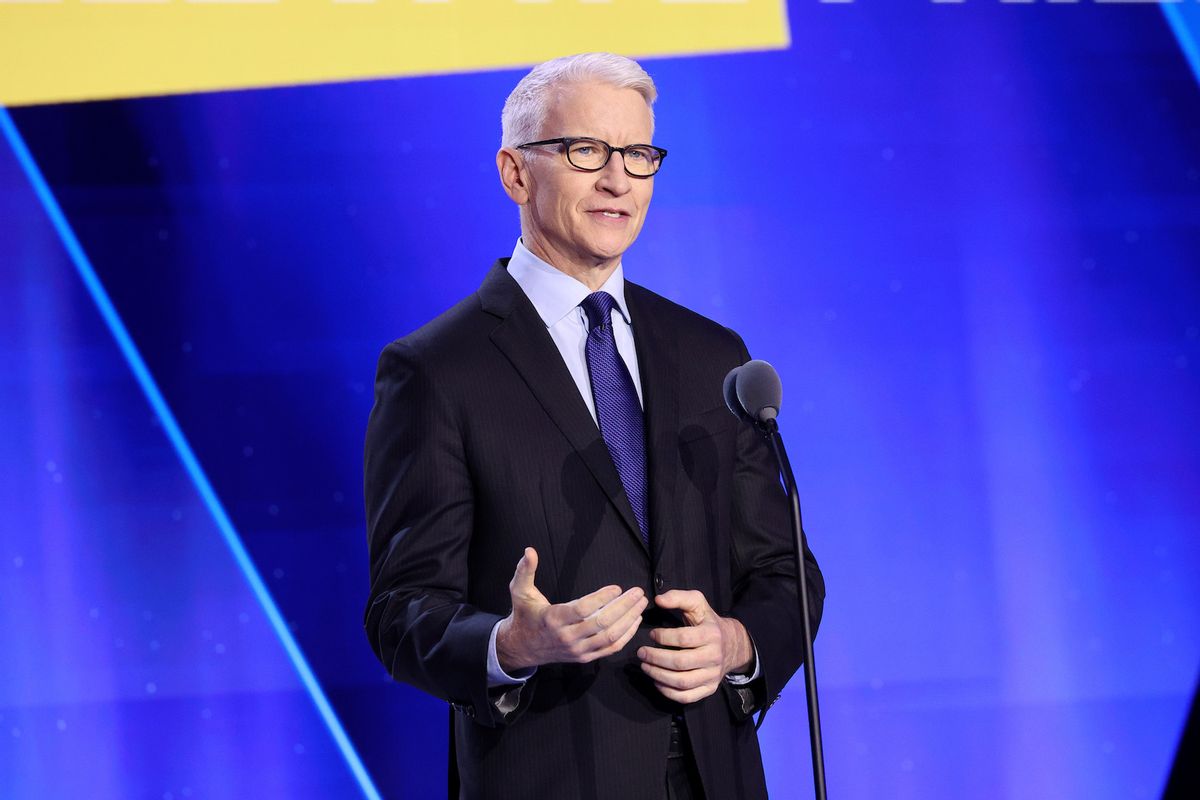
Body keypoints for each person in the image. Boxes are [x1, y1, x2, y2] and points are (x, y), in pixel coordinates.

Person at [364, 52, 825, 800]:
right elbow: (401, 612)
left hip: (718, 774)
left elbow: (785, 576)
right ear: (515, 173)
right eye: (586, 151)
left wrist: (735, 644)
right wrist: (511, 645)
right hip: (551, 773)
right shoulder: (436, 370)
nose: (618, 180)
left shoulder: (714, 356)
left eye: (639, 155)